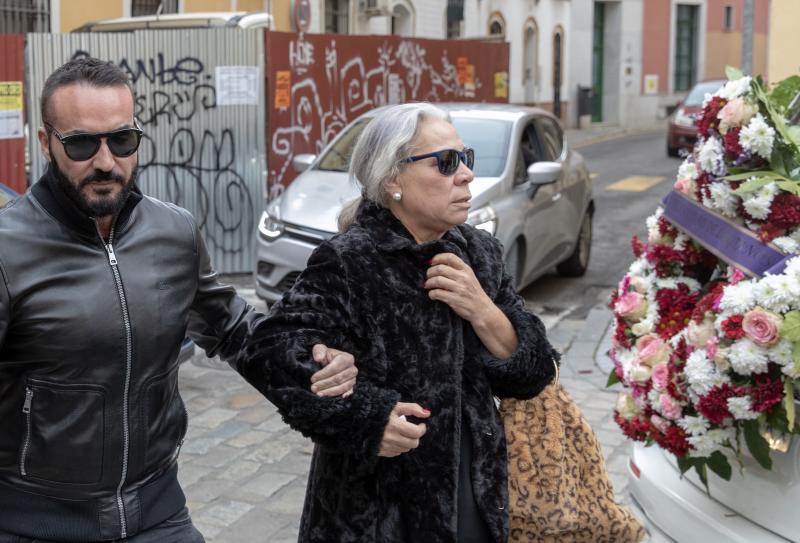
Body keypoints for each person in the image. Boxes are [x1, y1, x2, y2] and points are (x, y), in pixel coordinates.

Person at [0, 57, 357, 542]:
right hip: (33, 522)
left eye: (122, 140)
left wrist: (315, 368)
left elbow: (235, 330)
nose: (105, 161)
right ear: (45, 142)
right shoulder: (8, 248)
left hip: (158, 513)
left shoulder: (175, 232)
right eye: (82, 143)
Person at [236, 103, 560, 542]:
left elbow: (535, 371)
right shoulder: (350, 260)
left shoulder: (479, 253)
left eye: (466, 160)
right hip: (376, 513)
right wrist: (364, 415)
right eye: (446, 163)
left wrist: (482, 309)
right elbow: (268, 351)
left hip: (476, 491)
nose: (464, 175)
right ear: (393, 179)